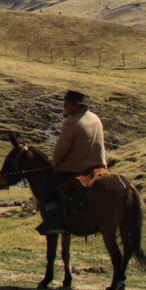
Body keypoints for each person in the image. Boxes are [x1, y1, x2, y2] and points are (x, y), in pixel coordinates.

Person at [36, 89, 107, 234]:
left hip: (77, 168)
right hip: (98, 165)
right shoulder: (94, 118)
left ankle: (55, 221)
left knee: (46, 187)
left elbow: (61, 150)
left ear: (76, 105)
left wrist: (55, 163)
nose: (64, 106)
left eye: (66, 104)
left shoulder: (71, 123)